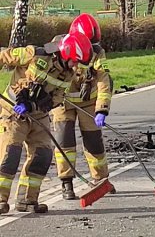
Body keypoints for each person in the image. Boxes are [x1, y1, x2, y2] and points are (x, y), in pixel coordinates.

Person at [0, 33, 93, 214]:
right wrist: (23, 101)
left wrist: (40, 103)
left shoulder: (68, 74)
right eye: (75, 61)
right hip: (13, 112)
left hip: (38, 115)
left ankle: (27, 200)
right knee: (10, 154)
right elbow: (4, 56)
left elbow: (58, 97)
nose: (76, 65)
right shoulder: (35, 54)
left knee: (42, 155)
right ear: (66, 53)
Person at [51, 13, 113, 200]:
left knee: (94, 142)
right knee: (65, 142)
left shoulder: (97, 51)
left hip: (88, 103)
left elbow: (103, 79)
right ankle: (66, 183)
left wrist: (102, 108)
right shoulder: (57, 46)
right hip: (63, 102)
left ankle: (101, 180)